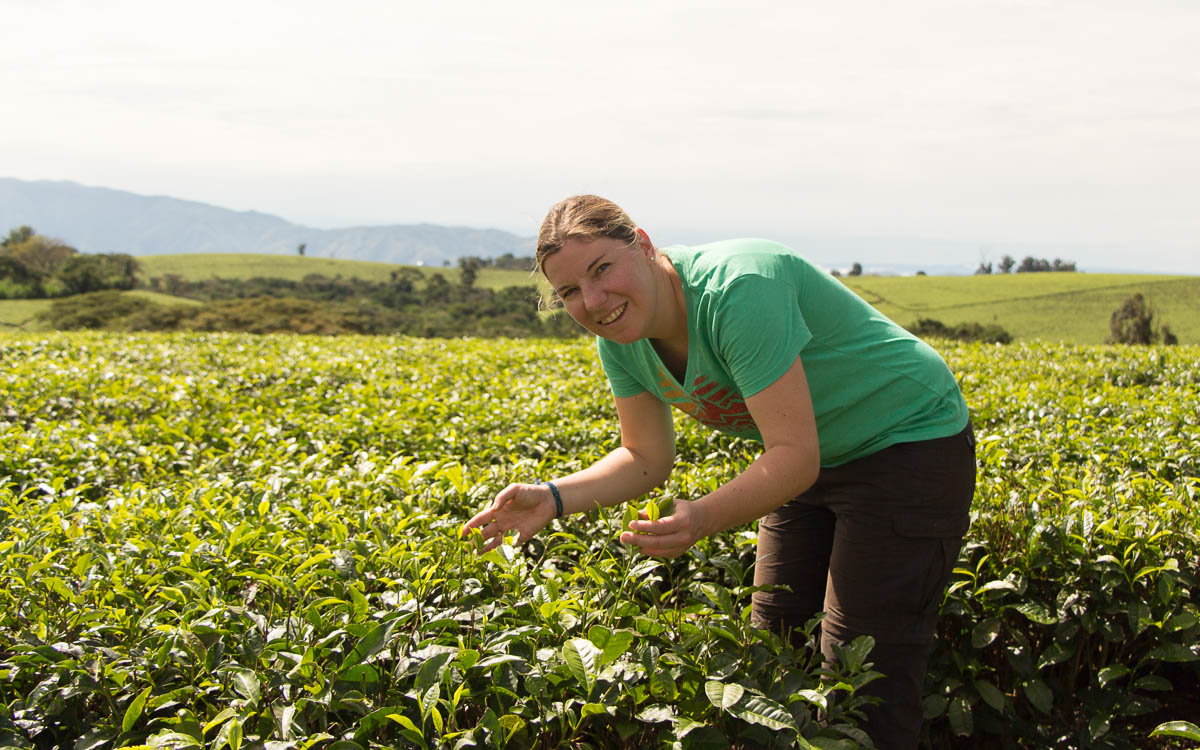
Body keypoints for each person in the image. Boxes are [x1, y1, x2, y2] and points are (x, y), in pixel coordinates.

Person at [462, 195, 976, 749]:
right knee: (772, 646)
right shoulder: (622, 337)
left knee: (862, 671)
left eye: (602, 269)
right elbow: (644, 456)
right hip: (806, 458)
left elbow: (793, 456)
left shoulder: (737, 289)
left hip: (906, 442)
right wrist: (553, 497)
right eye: (569, 292)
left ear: (643, 242)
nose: (592, 301)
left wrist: (700, 517)